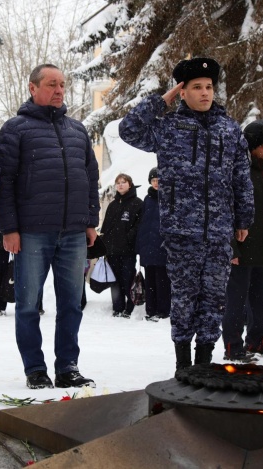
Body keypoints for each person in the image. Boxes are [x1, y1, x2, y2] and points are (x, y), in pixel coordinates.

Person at [119, 57, 254, 376]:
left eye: (209, 87)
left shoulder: (229, 129)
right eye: (197, 87)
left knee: (213, 300)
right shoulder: (168, 128)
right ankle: (183, 364)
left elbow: (241, 176)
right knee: (183, 300)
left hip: (219, 233)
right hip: (181, 233)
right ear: (183, 92)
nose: (205, 93)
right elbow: (129, 130)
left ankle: (204, 364)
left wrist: (244, 219)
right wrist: (159, 101)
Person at [0, 63, 99, 390]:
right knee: (28, 305)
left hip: (73, 233)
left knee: (71, 303)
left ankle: (68, 366)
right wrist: (8, 228)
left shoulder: (77, 130)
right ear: (32, 88)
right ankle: (35, 370)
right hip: (31, 233)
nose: (58, 90)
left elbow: (90, 178)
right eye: (52, 84)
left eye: (62, 85)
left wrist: (90, 221)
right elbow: (3, 182)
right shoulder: (15, 130)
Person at [222, 120, 263, 362]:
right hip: (242, 248)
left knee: (261, 298)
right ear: (251, 146)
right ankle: (232, 346)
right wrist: (231, 247)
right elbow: (226, 209)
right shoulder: (239, 169)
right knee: (235, 301)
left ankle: (256, 340)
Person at [101, 173, 143, 318]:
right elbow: (106, 227)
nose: (120, 185)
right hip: (112, 250)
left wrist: (129, 237)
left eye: (123, 182)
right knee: (115, 280)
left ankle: (129, 308)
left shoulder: (137, 203)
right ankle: (117, 307)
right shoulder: (112, 205)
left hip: (128, 250)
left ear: (129, 184)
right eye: (118, 182)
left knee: (128, 279)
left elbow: (139, 226)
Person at [136, 168, 171, 322]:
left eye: (159, 180)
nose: (156, 183)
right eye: (154, 180)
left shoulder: (169, 199)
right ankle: (150, 310)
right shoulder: (147, 199)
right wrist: (141, 246)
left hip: (162, 248)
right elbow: (143, 224)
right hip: (148, 248)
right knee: (149, 281)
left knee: (162, 281)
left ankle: (163, 311)